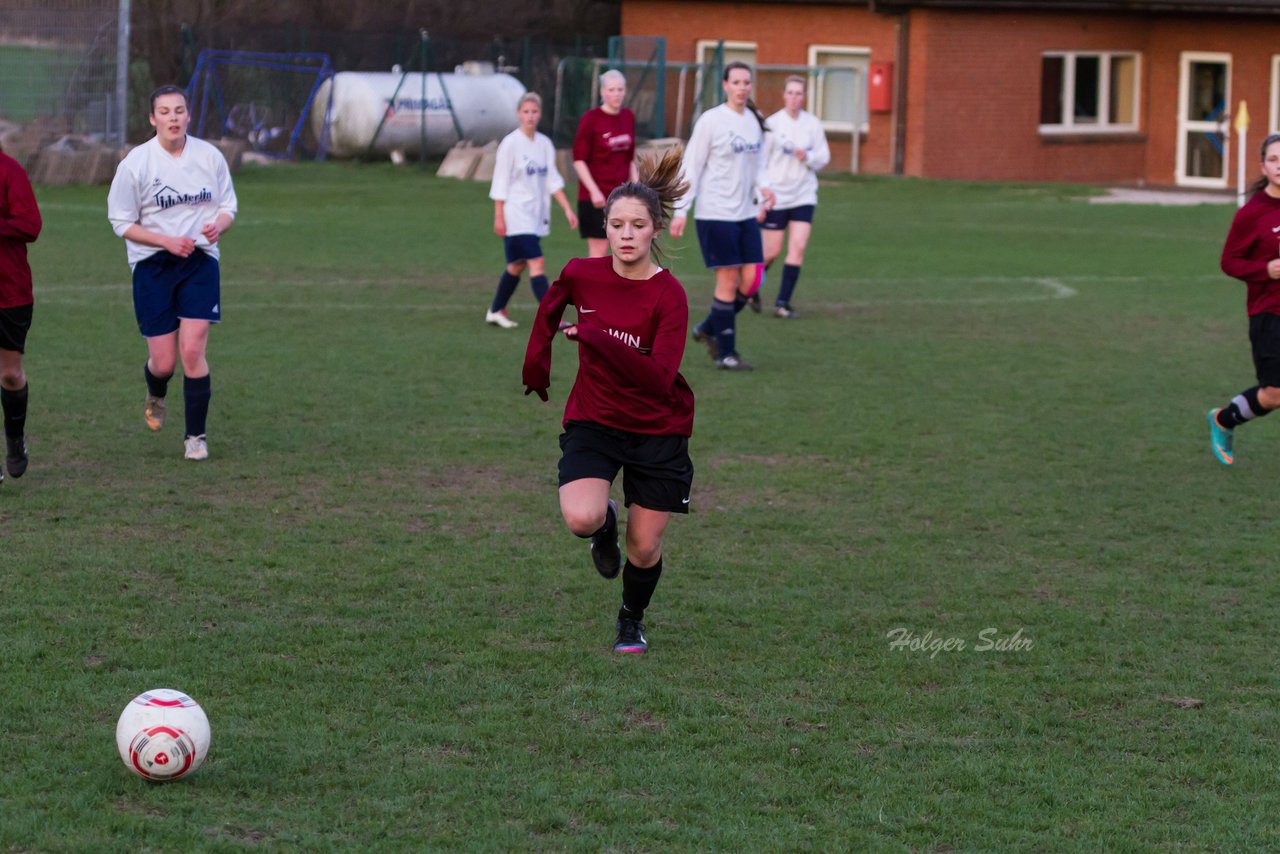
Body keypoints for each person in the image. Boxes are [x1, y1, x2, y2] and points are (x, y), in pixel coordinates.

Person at [522, 148, 693, 655]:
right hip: (595, 418)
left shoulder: (670, 296)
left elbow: (659, 379)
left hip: (657, 426)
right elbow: (550, 308)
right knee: (581, 517)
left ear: (654, 231)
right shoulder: (582, 273)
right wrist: (537, 362)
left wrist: (598, 338)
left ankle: (630, 619)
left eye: (636, 225)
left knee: (644, 549)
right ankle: (604, 524)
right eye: (616, 223)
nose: (624, 234)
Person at [107, 84, 237, 462]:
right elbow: (121, 221)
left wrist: (220, 226)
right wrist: (164, 242)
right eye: (164, 112)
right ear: (152, 119)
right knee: (164, 362)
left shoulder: (210, 157)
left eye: (179, 110)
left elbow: (227, 205)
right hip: (153, 266)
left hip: (199, 261)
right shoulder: (135, 164)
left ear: (188, 115)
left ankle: (195, 436)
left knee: (193, 348)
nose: (173, 118)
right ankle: (156, 391)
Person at [671, 61, 775, 371]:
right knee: (728, 280)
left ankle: (707, 328)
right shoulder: (711, 121)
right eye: (737, 82)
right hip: (715, 213)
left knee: (753, 280)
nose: (742, 87)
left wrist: (765, 189)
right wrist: (681, 210)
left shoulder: (755, 122)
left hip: (745, 213)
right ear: (725, 86)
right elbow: (692, 167)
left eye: (747, 82)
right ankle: (726, 353)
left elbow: (758, 166)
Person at [1208, 132, 1280, 466]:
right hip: (1269, 313)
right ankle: (1224, 419)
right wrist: (1265, 270)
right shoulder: (1252, 213)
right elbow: (1229, 262)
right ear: (1263, 166)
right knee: (1273, 394)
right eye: (1274, 159)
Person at [486, 92, 578, 329]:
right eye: (526, 112)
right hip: (515, 214)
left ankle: (496, 310)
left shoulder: (544, 144)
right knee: (536, 262)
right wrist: (499, 216)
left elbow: (552, 180)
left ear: (540, 114)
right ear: (518, 114)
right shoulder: (510, 144)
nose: (530, 116)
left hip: (535, 215)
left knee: (517, 266)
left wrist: (567, 209)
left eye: (534, 111)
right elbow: (501, 181)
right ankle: (551, 318)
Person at [756, 74, 830, 318]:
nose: (794, 98)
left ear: (804, 97)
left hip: (804, 195)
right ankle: (750, 286)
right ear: (784, 95)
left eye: (799, 93)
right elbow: (760, 163)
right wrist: (762, 194)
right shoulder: (772, 125)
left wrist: (807, 156)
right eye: (790, 93)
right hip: (777, 195)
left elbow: (823, 157)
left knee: (797, 248)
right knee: (770, 252)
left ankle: (782, 303)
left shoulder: (812, 124)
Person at [0, 143, 43, 485]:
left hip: (9, 292)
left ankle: (15, 442)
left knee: (11, 375)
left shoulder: (10, 171)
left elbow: (31, 226)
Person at [572, 69, 639, 258]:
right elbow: (579, 160)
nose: (616, 94)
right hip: (595, 198)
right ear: (602, 92)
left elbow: (630, 159)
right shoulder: (591, 119)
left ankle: (615, 288)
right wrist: (593, 191)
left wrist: (637, 187)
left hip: (621, 196)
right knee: (599, 252)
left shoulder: (628, 117)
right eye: (611, 90)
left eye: (620, 90)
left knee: (622, 250)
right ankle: (592, 288)